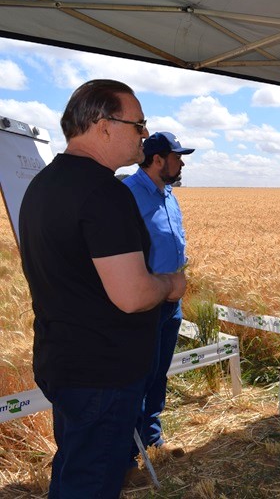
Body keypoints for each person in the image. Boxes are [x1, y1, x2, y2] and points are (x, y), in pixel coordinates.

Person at [18, 80, 187, 498]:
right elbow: (131, 295)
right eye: (138, 123)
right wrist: (170, 283)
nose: (144, 134)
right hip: (103, 375)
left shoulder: (43, 186)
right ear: (103, 125)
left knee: (75, 469)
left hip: (65, 363)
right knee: (92, 481)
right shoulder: (104, 193)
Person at [123, 131, 194, 467]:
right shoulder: (127, 194)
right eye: (177, 157)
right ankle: (128, 453)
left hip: (171, 303)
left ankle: (152, 438)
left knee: (159, 372)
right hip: (145, 303)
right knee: (139, 373)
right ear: (157, 160)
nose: (181, 163)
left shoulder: (168, 194)